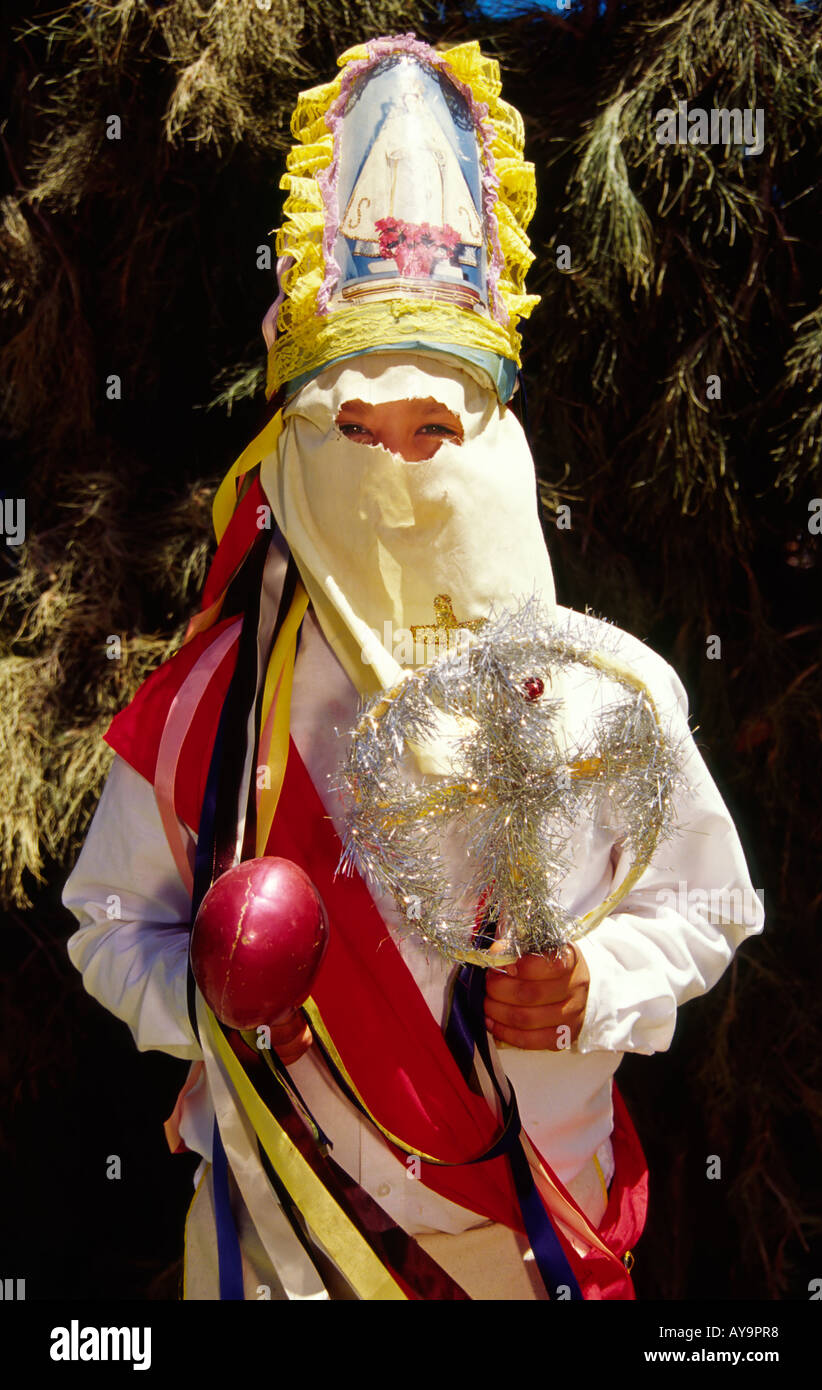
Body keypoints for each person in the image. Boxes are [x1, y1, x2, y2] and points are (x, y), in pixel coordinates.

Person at [62, 36, 763, 1301]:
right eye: (352, 432)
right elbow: (107, 924)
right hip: (281, 1247)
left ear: (497, 445)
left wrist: (593, 985)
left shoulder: (614, 697)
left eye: (432, 429)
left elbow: (712, 909)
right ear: (292, 450)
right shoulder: (210, 707)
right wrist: (214, 998)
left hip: (528, 1245)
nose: (392, 469)